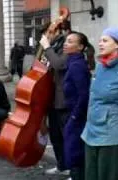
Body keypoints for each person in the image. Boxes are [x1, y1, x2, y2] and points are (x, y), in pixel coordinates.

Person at [81, 27, 118, 180]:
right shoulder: (99, 68)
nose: (100, 43)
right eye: (100, 40)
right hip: (90, 133)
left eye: (105, 40)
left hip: (111, 138)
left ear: (117, 45)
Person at [39, 20, 71, 175]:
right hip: (50, 97)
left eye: (48, 33)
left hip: (63, 99)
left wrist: (46, 47)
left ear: (56, 31)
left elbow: (59, 64)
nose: (47, 37)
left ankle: (72, 168)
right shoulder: (51, 49)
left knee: (66, 135)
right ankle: (61, 165)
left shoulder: (66, 46)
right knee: (55, 136)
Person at [62, 32, 91, 180]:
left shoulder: (77, 66)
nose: (65, 44)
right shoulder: (72, 63)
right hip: (74, 114)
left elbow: (84, 94)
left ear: (80, 47)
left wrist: (74, 116)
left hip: (77, 116)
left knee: (75, 151)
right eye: (66, 41)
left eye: (70, 41)